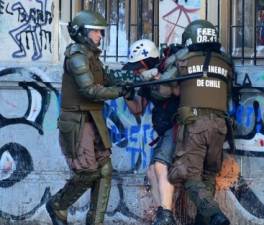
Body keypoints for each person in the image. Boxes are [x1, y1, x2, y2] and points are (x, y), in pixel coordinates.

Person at [46, 10, 133, 225]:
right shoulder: (76, 55)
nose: (100, 36)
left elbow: (107, 77)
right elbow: (90, 91)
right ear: (82, 32)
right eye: (96, 31)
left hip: (94, 119)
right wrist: (120, 92)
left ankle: (96, 221)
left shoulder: (92, 56)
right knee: (87, 172)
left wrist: (132, 79)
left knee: (104, 169)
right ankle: (58, 204)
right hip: (78, 121)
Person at [167, 20, 233, 225]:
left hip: (195, 124)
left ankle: (215, 215)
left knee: (190, 177)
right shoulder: (225, 61)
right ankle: (202, 222)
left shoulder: (184, 59)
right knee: (209, 175)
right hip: (221, 125)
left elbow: (163, 89)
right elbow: (228, 91)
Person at [122, 39, 184, 225]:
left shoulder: (168, 71)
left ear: (146, 61)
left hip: (177, 126)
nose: (136, 71)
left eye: (137, 67)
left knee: (159, 166)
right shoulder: (146, 79)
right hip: (164, 129)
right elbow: (137, 108)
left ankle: (166, 216)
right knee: (151, 171)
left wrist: (156, 78)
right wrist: (125, 91)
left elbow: (176, 92)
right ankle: (164, 215)